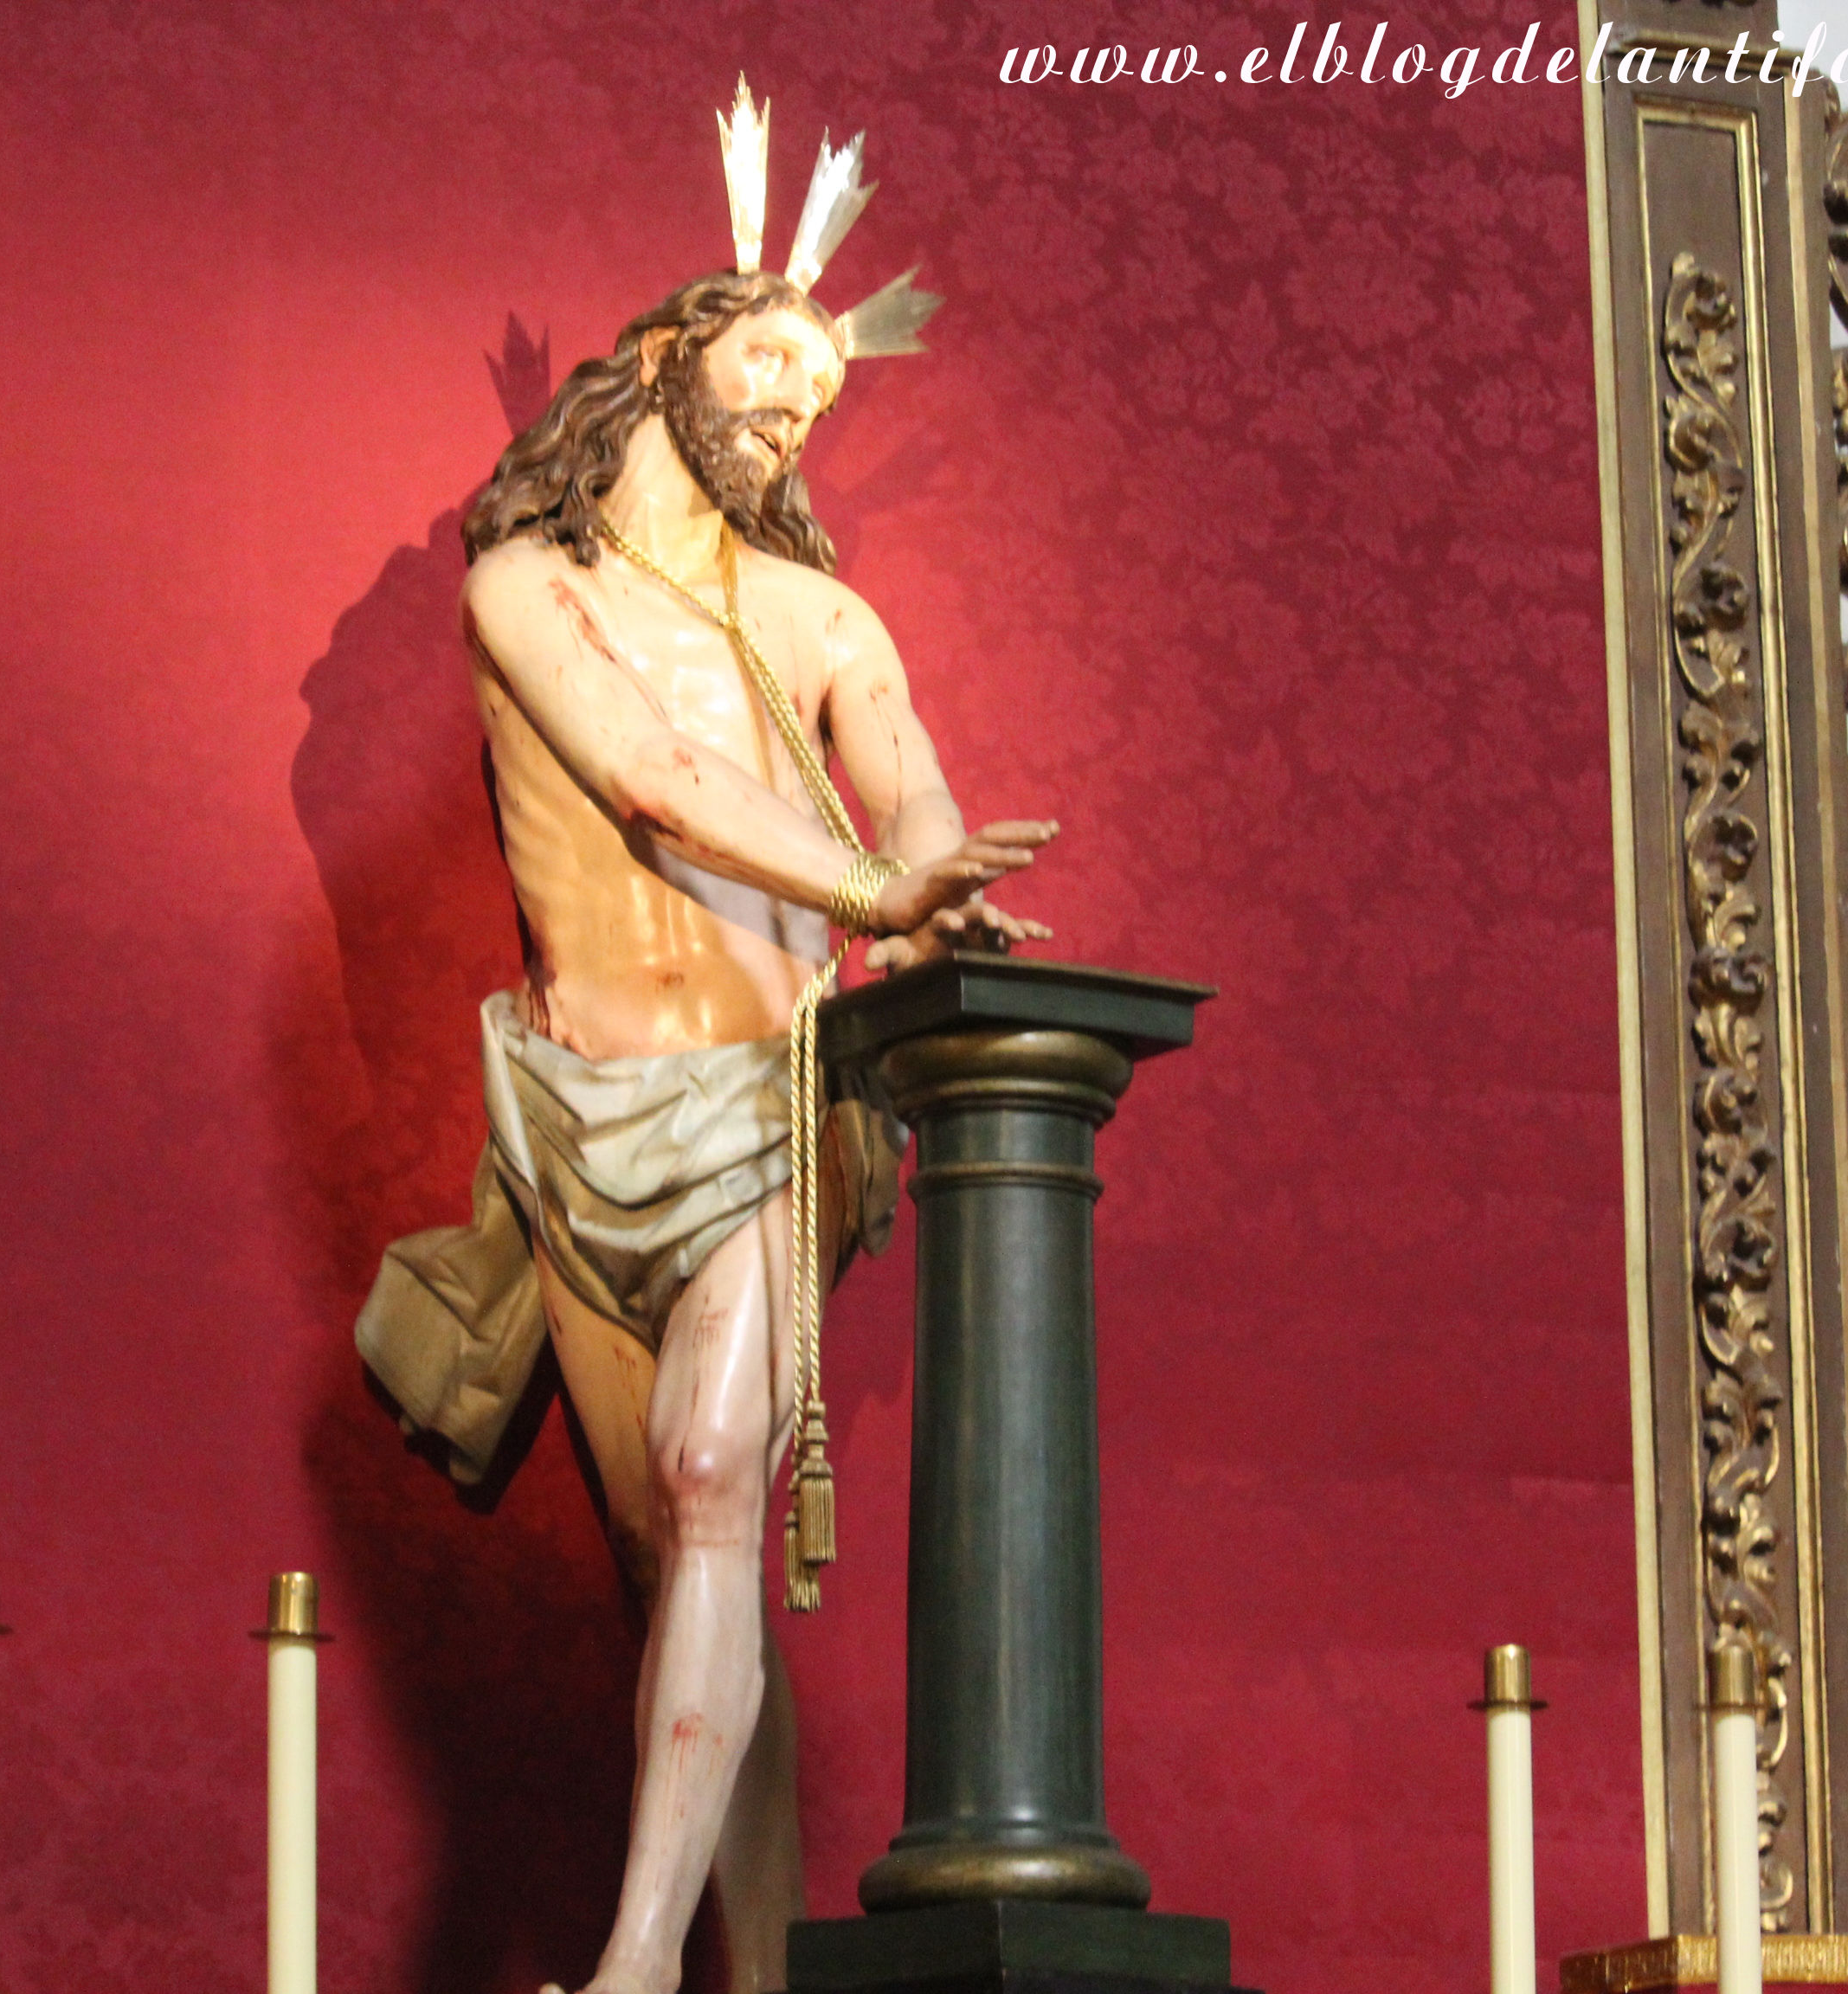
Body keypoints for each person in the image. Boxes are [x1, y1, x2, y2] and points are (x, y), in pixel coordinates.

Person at [354, 87, 1053, 1994]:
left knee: (714, 1467)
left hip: (766, 1099)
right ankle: (753, 1971)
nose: (796, 409)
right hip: (582, 1119)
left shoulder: (821, 617)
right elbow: (650, 777)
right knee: (677, 1558)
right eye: (770, 364)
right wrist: (879, 888)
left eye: (820, 395)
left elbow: (912, 790)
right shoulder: (526, 585)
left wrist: (927, 880)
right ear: (670, 351)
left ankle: (638, 1961)